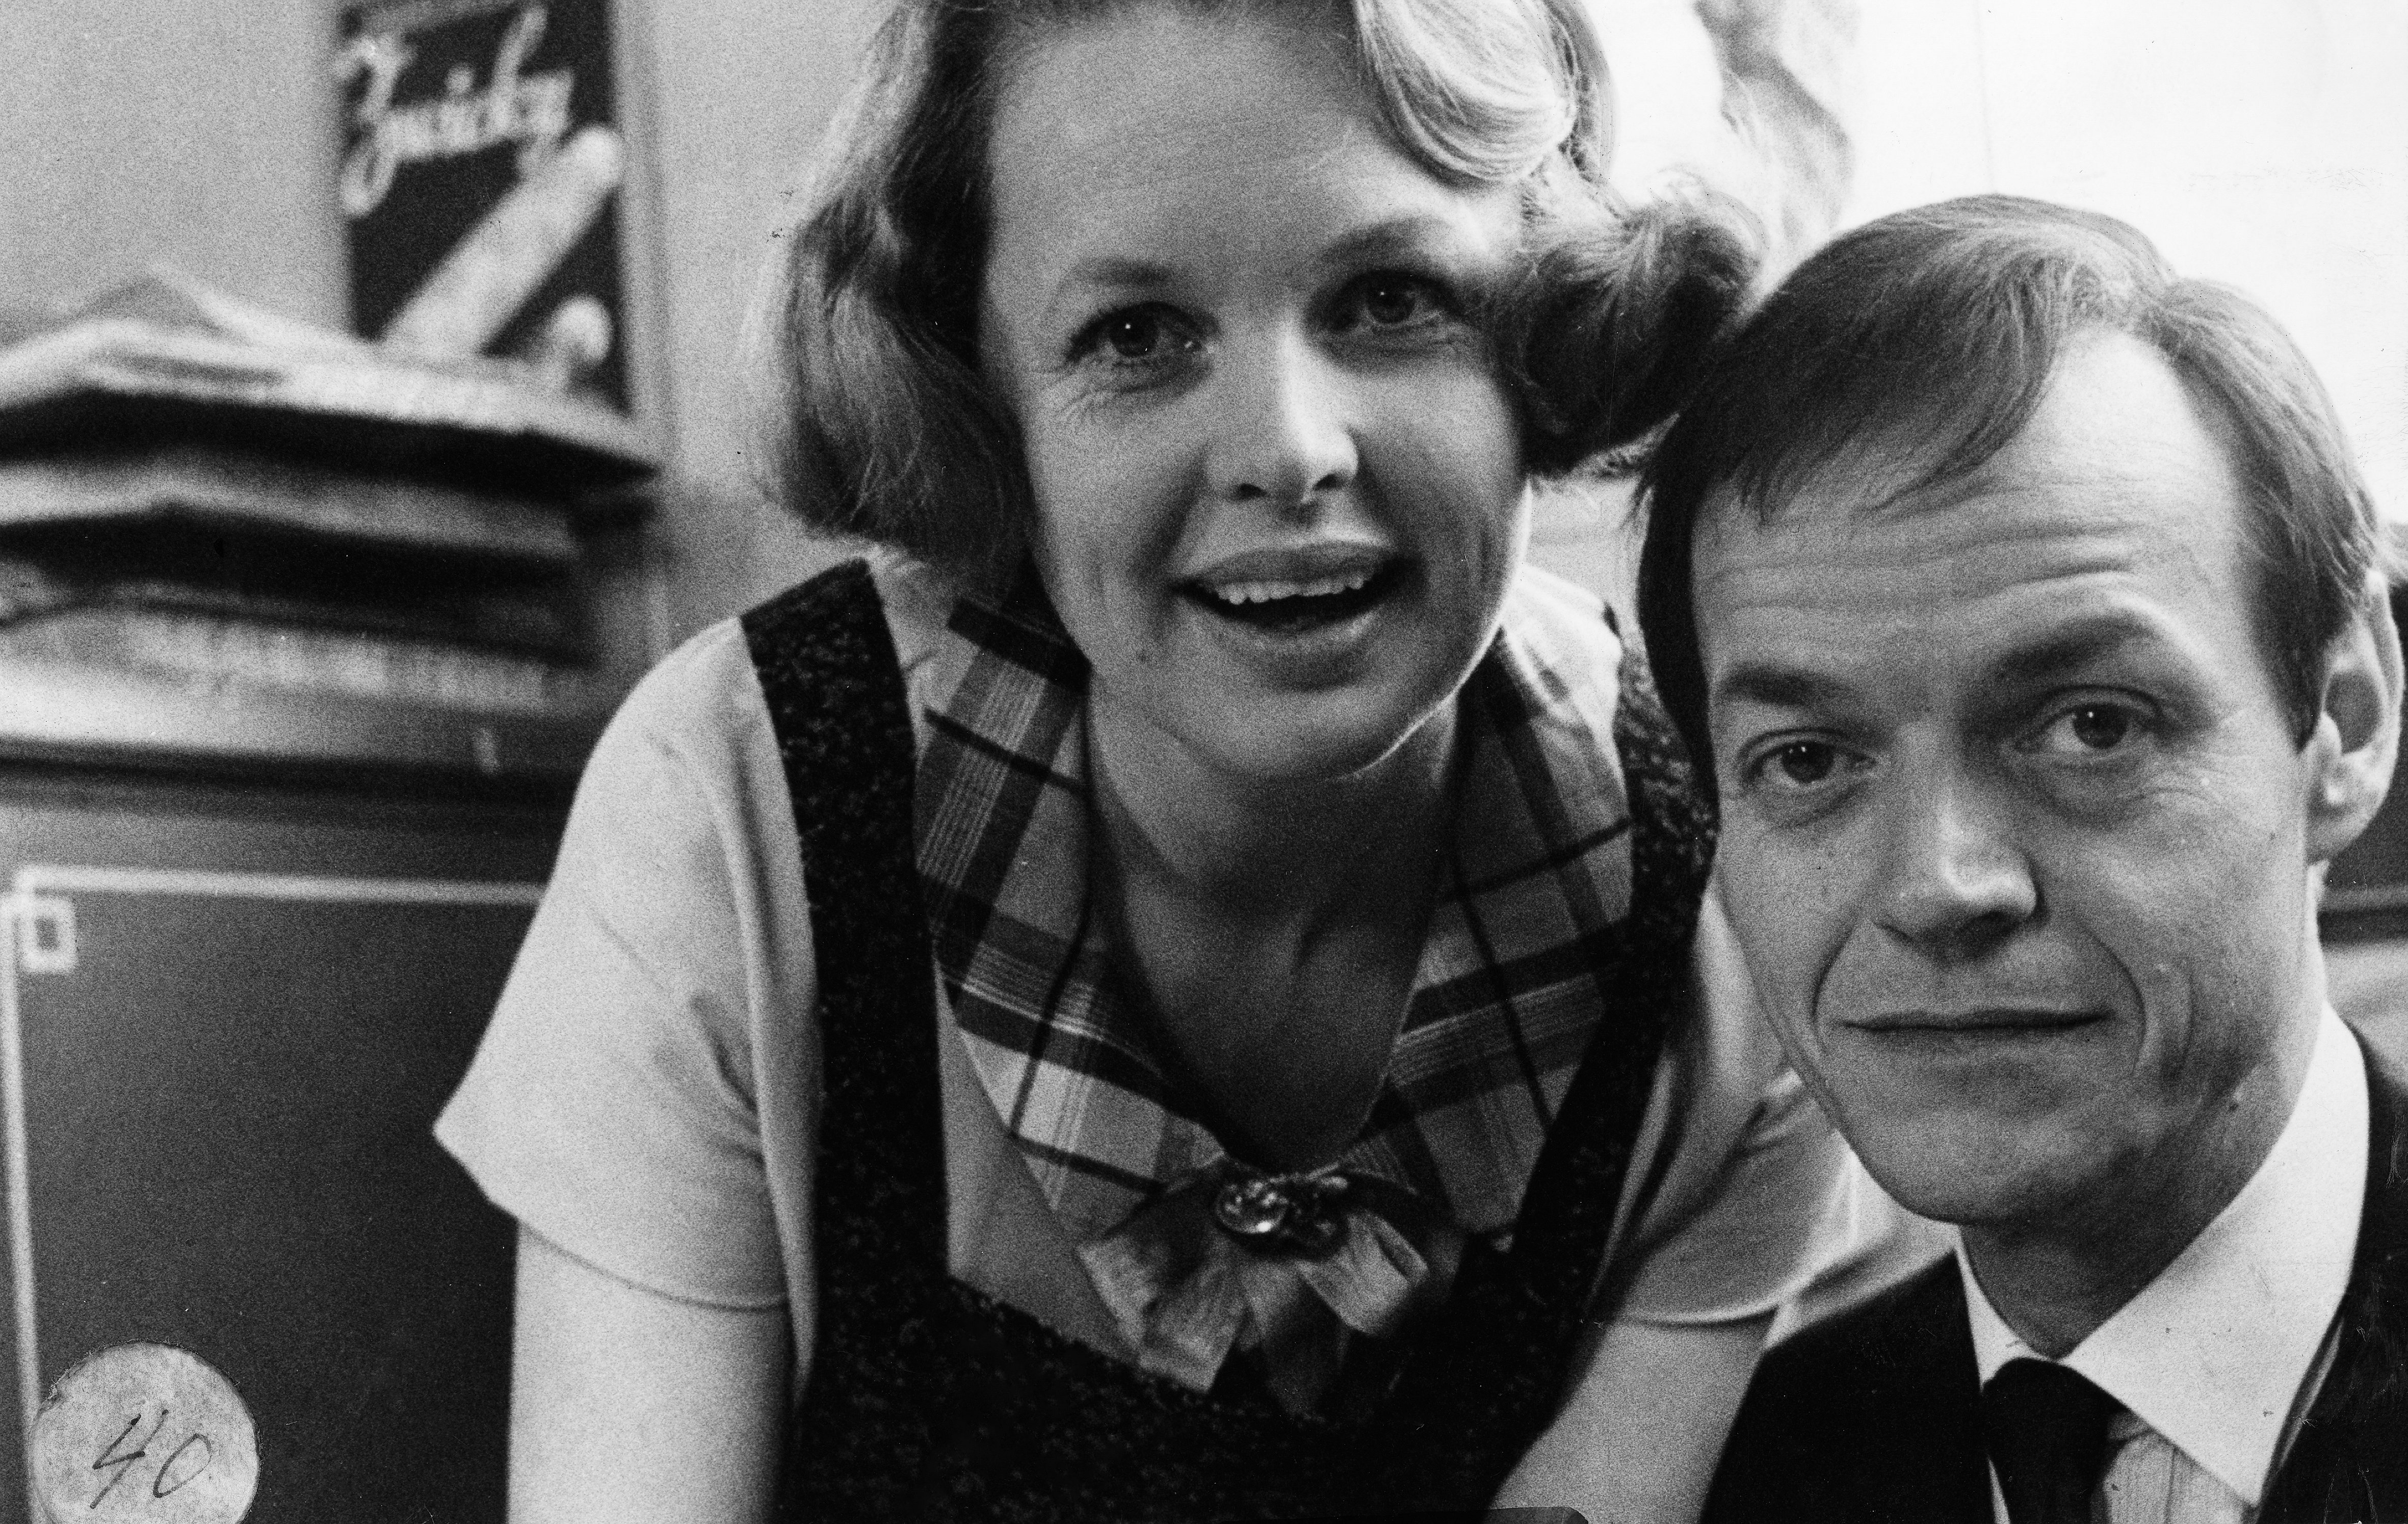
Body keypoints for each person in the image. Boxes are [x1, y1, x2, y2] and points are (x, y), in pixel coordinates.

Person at [436, 1, 1886, 1518]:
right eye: (1135, 335)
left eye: (1392, 298)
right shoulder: (733, 813)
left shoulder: (1734, 892)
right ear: (981, 397)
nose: (1288, 448)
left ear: (1557, 338)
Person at [1627, 193, 2408, 1523]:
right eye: (1806, 759)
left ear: (2344, 724)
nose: (1936, 886)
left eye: (2091, 726)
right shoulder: (1761, 1469)